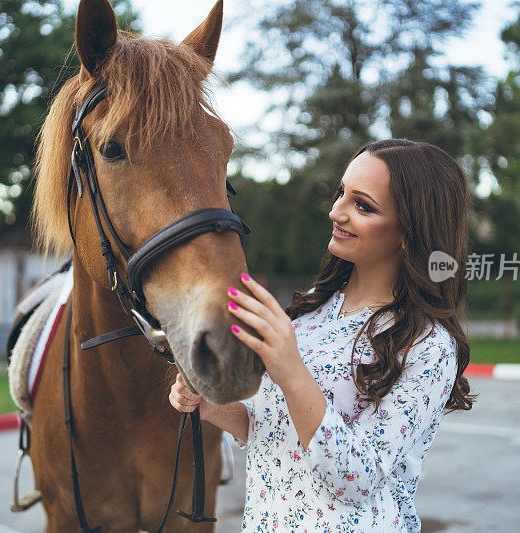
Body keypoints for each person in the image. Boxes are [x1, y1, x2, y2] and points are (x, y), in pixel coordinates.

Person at [169, 139, 476, 532]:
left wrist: (291, 369)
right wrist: (211, 405)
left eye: (362, 205)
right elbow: (274, 427)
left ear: (409, 231)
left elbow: (356, 479)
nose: (336, 211)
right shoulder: (312, 311)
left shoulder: (428, 345)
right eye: (341, 193)